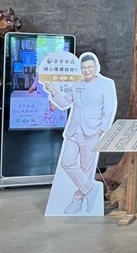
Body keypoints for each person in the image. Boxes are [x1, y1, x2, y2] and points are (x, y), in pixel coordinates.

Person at [44, 53, 116, 214]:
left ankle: (77, 200)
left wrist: (101, 129)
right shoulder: (76, 85)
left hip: (92, 131)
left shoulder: (106, 84)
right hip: (73, 131)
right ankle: (90, 190)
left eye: (90, 67)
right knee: (67, 161)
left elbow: (109, 108)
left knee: (86, 168)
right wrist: (53, 91)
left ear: (96, 67)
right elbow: (64, 102)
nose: (87, 70)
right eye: (84, 68)